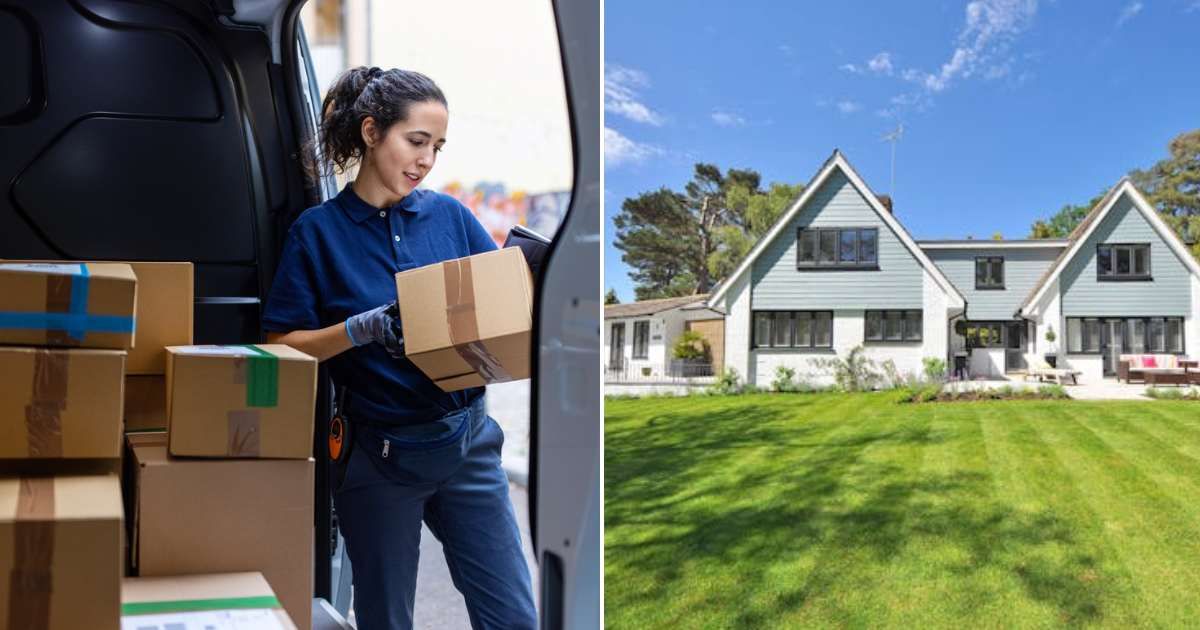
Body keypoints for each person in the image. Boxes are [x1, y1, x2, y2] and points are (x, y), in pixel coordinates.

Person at [262, 66, 537, 630]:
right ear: (371, 132)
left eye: (436, 147)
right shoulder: (317, 233)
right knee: (386, 621)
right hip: (383, 461)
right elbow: (280, 346)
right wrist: (358, 330)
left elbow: (497, 308)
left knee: (513, 617)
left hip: (469, 446)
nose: (426, 160)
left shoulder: (451, 216)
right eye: (416, 142)